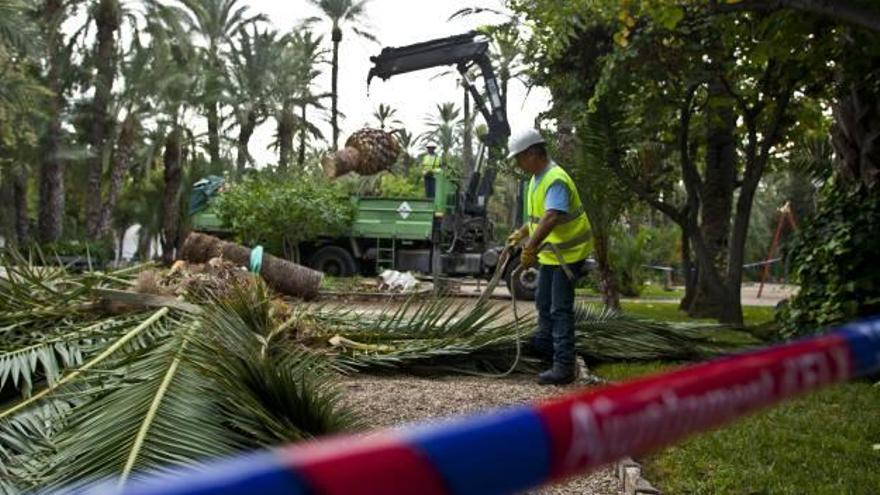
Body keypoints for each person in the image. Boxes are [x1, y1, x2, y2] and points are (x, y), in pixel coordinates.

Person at [506, 129, 591, 385]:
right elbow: (538, 217)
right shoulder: (536, 178)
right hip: (553, 255)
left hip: (568, 254)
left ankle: (563, 366)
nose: (518, 164)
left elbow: (552, 216)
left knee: (559, 308)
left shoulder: (555, 179)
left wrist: (529, 247)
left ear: (534, 153)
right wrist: (521, 233)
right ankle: (545, 349)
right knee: (543, 302)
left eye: (520, 158)